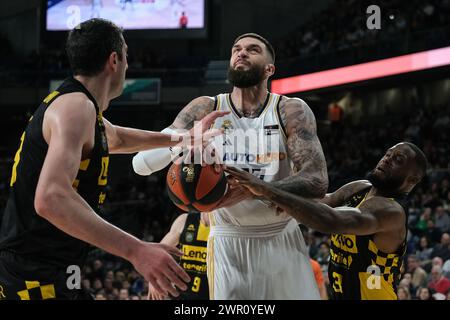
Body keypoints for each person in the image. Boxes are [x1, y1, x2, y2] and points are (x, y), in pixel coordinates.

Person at [0, 18, 226, 300]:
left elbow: (117, 138)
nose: (129, 64)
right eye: (127, 56)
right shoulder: (76, 108)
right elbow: (51, 198)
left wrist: (184, 139)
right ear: (114, 59)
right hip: (34, 275)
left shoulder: (78, 107)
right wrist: (136, 250)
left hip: (49, 269)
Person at [133, 33, 328, 299]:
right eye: (236, 49)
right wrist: (184, 140)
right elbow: (140, 164)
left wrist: (258, 189)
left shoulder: (290, 110)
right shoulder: (205, 108)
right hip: (228, 243)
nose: (242, 53)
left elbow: (317, 180)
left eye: (253, 49)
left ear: (270, 68)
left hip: (282, 237)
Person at [225, 142, 428, 300]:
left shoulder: (392, 211)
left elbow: (331, 220)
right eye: (388, 154)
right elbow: (317, 203)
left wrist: (267, 189)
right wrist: (252, 192)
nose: (386, 160)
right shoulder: (360, 188)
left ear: (412, 180)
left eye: (397, 160)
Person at [148, 212, 210, 300]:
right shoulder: (185, 220)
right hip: (181, 294)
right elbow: (158, 252)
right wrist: (154, 279)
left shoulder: (230, 224)